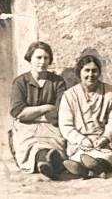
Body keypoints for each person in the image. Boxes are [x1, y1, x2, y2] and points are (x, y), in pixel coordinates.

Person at [9, 41, 66, 180]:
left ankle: (47, 162)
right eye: (38, 57)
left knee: (57, 142)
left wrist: (31, 113)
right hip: (25, 127)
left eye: (46, 58)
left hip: (51, 125)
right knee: (29, 143)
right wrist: (46, 107)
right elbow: (18, 112)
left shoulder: (58, 82)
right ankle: (45, 162)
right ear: (30, 58)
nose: (43, 62)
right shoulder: (20, 82)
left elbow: (60, 111)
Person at [59, 55, 112, 178]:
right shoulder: (69, 96)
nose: (91, 74)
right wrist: (82, 140)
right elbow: (65, 125)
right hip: (80, 142)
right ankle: (90, 169)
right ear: (79, 72)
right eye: (86, 70)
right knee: (81, 156)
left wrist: (105, 138)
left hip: (103, 141)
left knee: (107, 156)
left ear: (99, 72)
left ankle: (93, 167)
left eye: (94, 71)